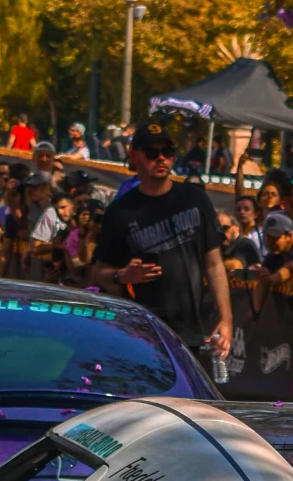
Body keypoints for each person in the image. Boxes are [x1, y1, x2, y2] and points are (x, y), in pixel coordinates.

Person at [94, 122, 232, 370]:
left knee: (185, 404)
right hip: (139, 331)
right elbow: (100, 273)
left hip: (188, 331)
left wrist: (226, 318)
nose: (161, 159)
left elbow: (214, 263)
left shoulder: (195, 198)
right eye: (152, 153)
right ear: (135, 156)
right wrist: (123, 275)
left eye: (167, 152)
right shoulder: (119, 212)